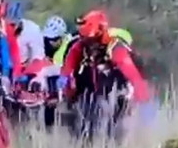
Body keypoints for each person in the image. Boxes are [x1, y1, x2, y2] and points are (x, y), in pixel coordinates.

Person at [58, 9, 152, 140]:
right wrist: (64, 78)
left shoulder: (115, 48)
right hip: (94, 93)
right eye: (85, 40)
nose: (89, 45)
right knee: (84, 125)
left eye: (91, 40)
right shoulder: (82, 44)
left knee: (114, 131)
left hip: (117, 93)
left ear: (100, 34)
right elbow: (70, 61)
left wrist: (145, 101)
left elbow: (134, 76)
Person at [5, 0, 45, 66]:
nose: (10, 28)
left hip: (25, 66)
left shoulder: (32, 30)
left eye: (13, 25)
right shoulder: (0, 27)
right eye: (8, 24)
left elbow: (37, 57)